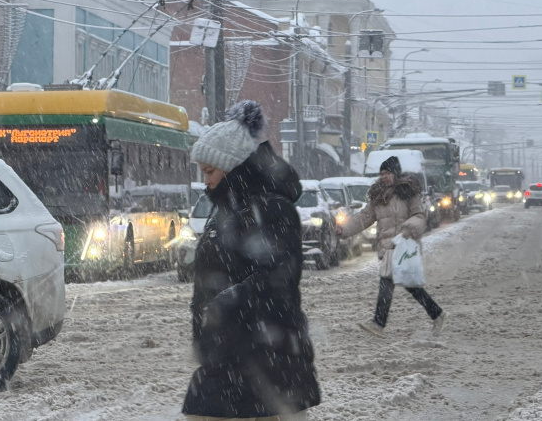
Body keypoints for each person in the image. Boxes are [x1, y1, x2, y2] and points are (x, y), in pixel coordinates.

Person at [182, 100, 320, 421]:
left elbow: (279, 278)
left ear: (232, 166)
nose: (207, 181)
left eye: (211, 171)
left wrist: (224, 305)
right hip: (228, 355)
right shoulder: (224, 212)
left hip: (270, 354)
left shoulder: (273, 208)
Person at [335, 156, 448, 338]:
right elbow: (364, 217)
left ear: (395, 173)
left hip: (404, 246)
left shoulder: (408, 192)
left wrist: (407, 228)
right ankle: (437, 314)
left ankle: (379, 324)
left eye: (387, 173)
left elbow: (419, 216)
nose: (384, 177)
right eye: (382, 174)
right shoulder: (379, 197)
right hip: (388, 247)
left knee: (389, 283)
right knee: (407, 285)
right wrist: (345, 229)